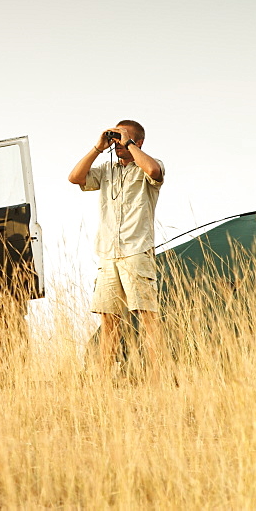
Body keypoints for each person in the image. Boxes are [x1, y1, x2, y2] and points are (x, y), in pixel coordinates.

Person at [68, 120, 165, 380]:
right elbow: (74, 178)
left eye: (121, 138)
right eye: (115, 139)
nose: (117, 144)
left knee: (147, 318)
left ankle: (158, 377)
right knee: (109, 320)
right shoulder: (107, 169)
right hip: (108, 253)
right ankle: (103, 380)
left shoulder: (147, 165)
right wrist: (98, 147)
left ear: (139, 142)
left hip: (136, 249)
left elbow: (154, 170)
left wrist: (129, 143)